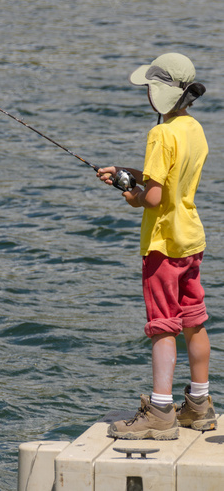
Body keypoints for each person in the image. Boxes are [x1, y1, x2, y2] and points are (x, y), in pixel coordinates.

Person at [97, 52, 217, 440]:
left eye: (149, 87)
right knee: (193, 320)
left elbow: (151, 198)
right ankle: (199, 404)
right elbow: (168, 180)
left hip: (163, 244)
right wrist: (131, 175)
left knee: (162, 325)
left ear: (160, 94)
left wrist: (127, 191)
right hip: (191, 238)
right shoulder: (194, 129)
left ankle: (161, 409)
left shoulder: (160, 133)